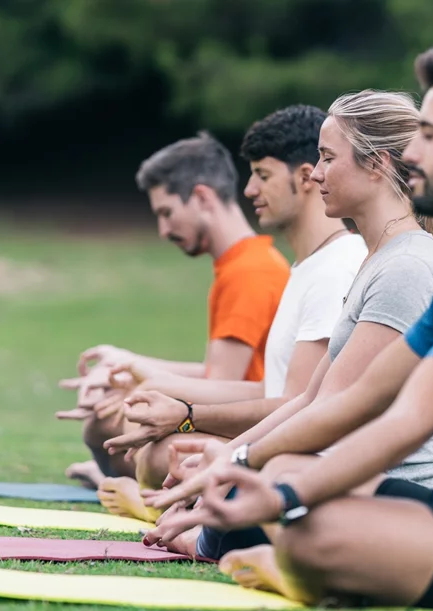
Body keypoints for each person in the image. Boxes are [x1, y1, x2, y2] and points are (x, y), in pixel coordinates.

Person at [140, 45, 433, 611]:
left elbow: (406, 420)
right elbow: (356, 398)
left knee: (313, 532)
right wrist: (242, 465)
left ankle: (304, 568)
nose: (411, 152)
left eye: (429, 135)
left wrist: (281, 495)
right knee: (294, 482)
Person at [109, 89, 433, 541]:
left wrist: (233, 462)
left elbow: (332, 410)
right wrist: (226, 457)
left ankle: (197, 536)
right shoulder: (378, 258)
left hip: (396, 490)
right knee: (239, 472)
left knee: (265, 479)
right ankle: (204, 526)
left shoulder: (407, 266)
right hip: (341, 472)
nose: (315, 174)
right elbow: (309, 398)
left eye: (326, 158)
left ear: (376, 165)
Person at [91, 104, 369, 518]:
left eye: (263, 176)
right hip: (279, 440)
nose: (249, 190)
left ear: (304, 176)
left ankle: (173, 508)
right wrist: (162, 388)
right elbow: (272, 388)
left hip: (306, 458)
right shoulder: (306, 265)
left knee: (161, 455)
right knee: (154, 449)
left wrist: (185, 416)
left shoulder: (335, 268)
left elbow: (299, 404)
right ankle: (180, 503)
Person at [63, 131, 292, 485]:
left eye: (167, 213)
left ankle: (123, 480)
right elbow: (219, 372)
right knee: (111, 417)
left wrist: (141, 378)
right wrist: (128, 365)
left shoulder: (251, 270)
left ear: (201, 197)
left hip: (248, 429)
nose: (162, 229)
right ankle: (117, 474)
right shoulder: (240, 264)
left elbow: (223, 385)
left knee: (125, 429)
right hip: (235, 416)